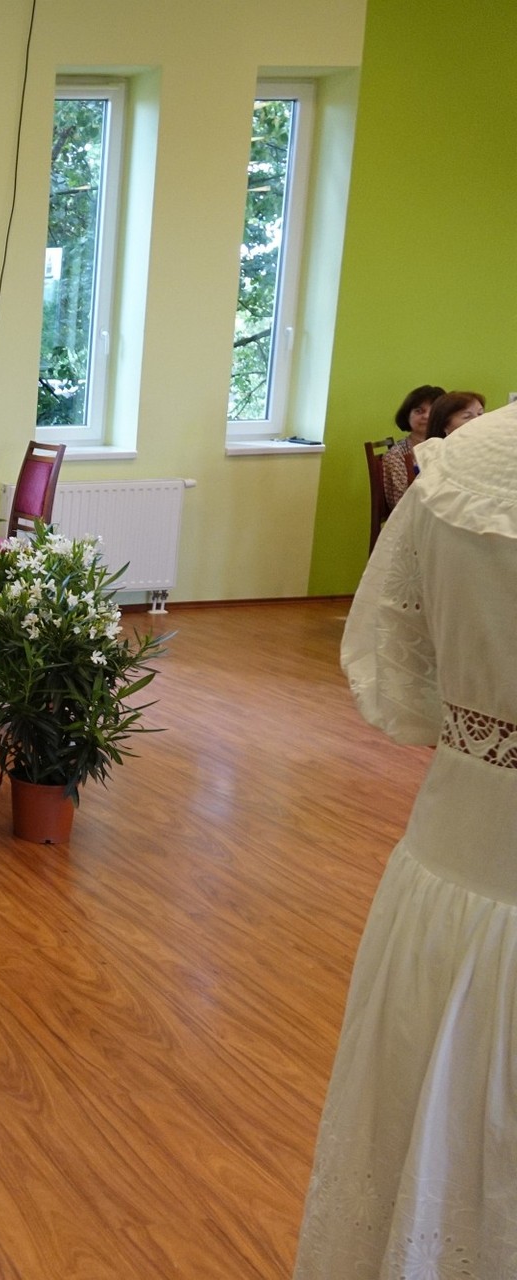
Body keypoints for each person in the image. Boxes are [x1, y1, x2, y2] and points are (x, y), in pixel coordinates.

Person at [292, 402, 516, 1276]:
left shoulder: (461, 467)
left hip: (455, 867)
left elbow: (400, 688)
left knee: (432, 1150)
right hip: (459, 871)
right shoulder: (462, 467)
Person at [378, 384, 442, 512]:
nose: (427, 416)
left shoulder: (450, 445)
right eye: (419, 411)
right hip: (417, 516)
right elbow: (400, 504)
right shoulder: (396, 455)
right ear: (407, 416)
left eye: (434, 411)